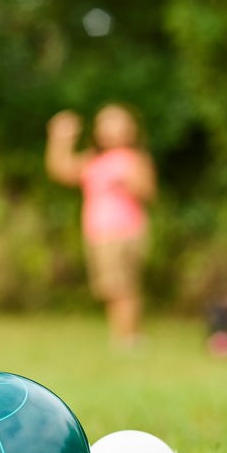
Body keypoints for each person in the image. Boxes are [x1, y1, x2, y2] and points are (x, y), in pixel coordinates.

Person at [45, 105, 156, 347]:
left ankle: (129, 337)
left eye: (116, 122)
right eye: (104, 123)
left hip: (127, 231)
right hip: (99, 234)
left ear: (131, 129)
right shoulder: (94, 160)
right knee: (111, 288)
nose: (108, 129)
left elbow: (149, 192)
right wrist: (60, 138)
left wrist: (129, 184)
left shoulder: (134, 158)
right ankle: (121, 335)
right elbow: (60, 170)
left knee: (125, 286)